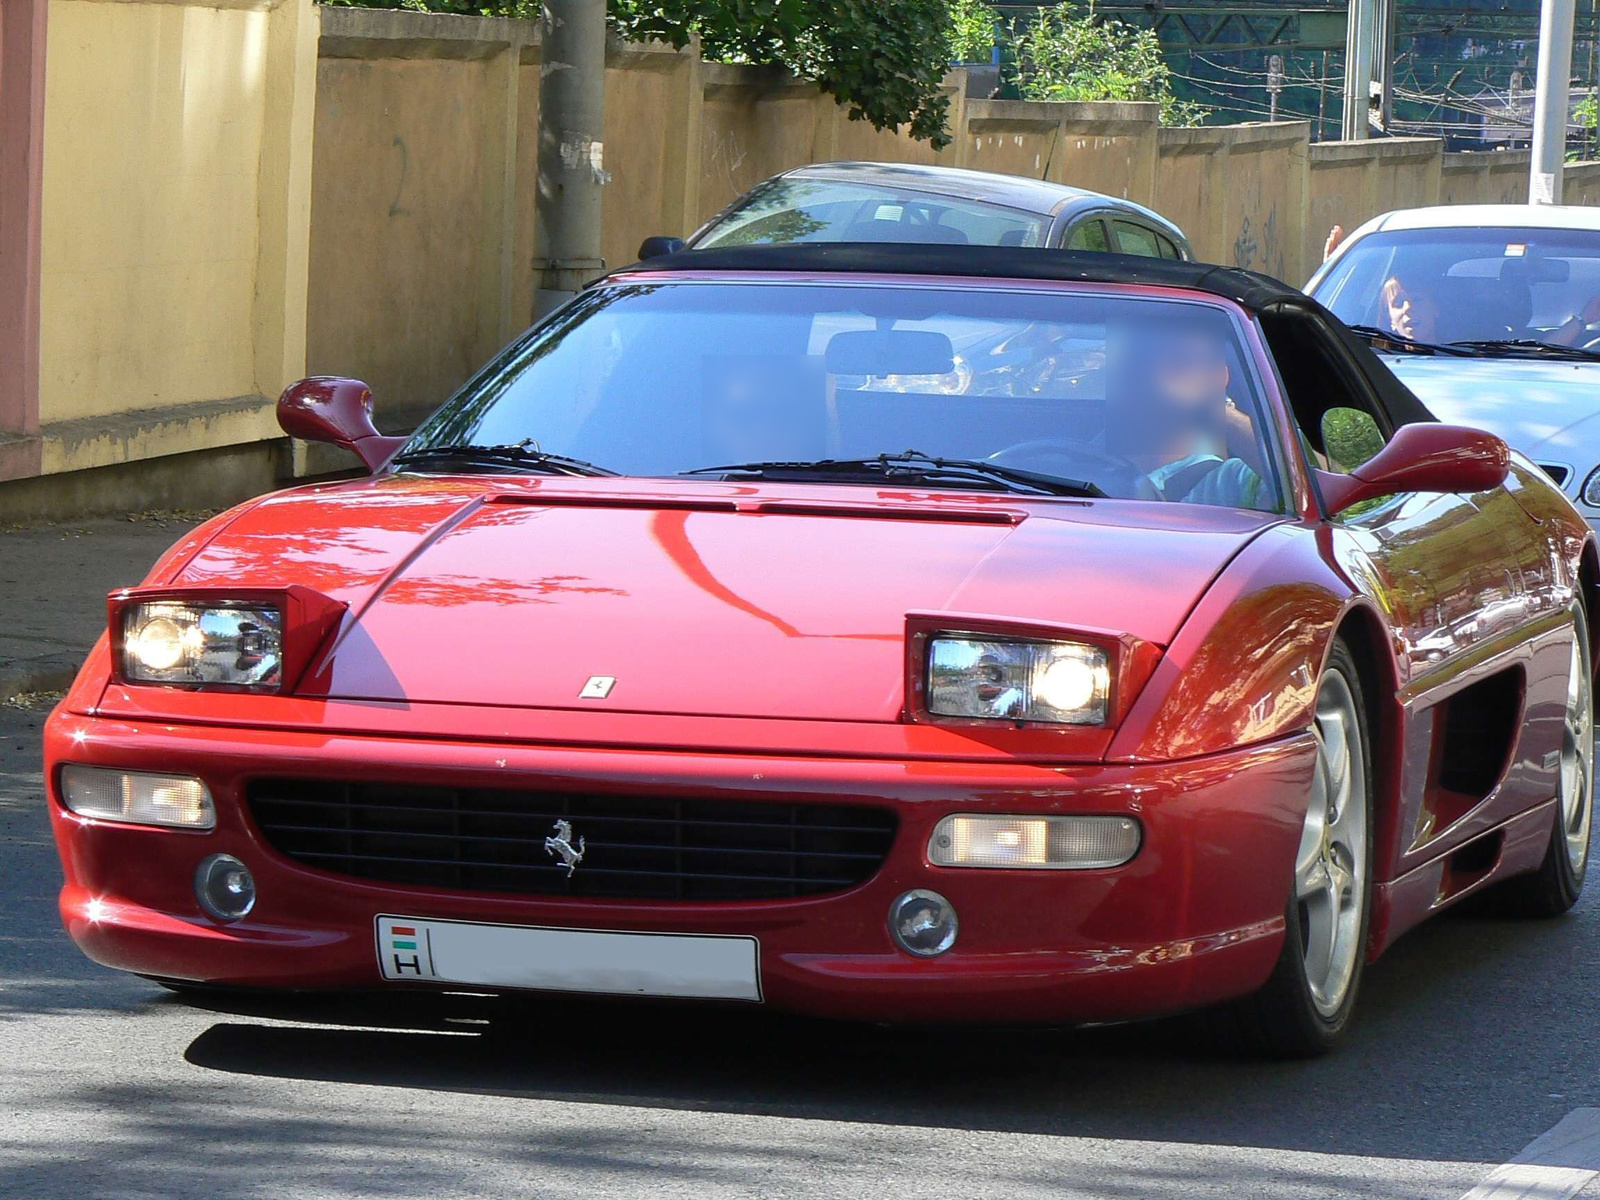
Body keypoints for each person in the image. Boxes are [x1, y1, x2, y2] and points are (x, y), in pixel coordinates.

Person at [1106, 319, 1266, 509]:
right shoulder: (1080, 451)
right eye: (1143, 363)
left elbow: (1301, 478)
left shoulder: (1229, 480)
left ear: (1219, 377)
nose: (1157, 377)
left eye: (1181, 363)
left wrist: (1213, 407)